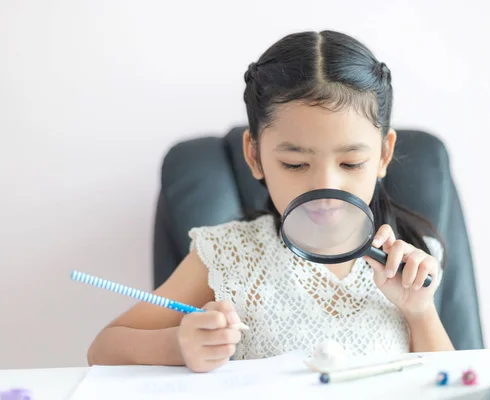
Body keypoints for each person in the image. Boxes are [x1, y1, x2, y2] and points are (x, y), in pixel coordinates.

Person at [87, 30, 455, 373]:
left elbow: (451, 380)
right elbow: (103, 349)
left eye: (350, 163)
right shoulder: (229, 255)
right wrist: (178, 346)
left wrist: (419, 312)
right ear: (255, 155)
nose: (325, 187)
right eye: (295, 164)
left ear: (383, 155)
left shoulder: (414, 262)